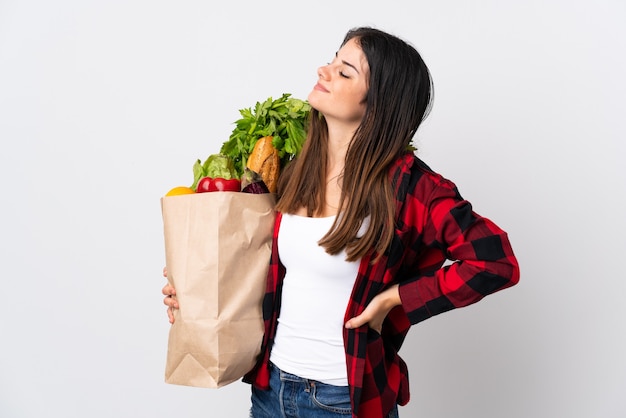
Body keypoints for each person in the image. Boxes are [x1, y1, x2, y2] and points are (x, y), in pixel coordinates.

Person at [162, 26, 520, 418]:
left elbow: (495, 262)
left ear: (379, 103)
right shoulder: (294, 168)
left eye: (345, 71)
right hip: (271, 391)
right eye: (333, 59)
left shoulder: (412, 187)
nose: (324, 70)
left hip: (342, 401)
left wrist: (394, 298)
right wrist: (196, 289)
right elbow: (262, 266)